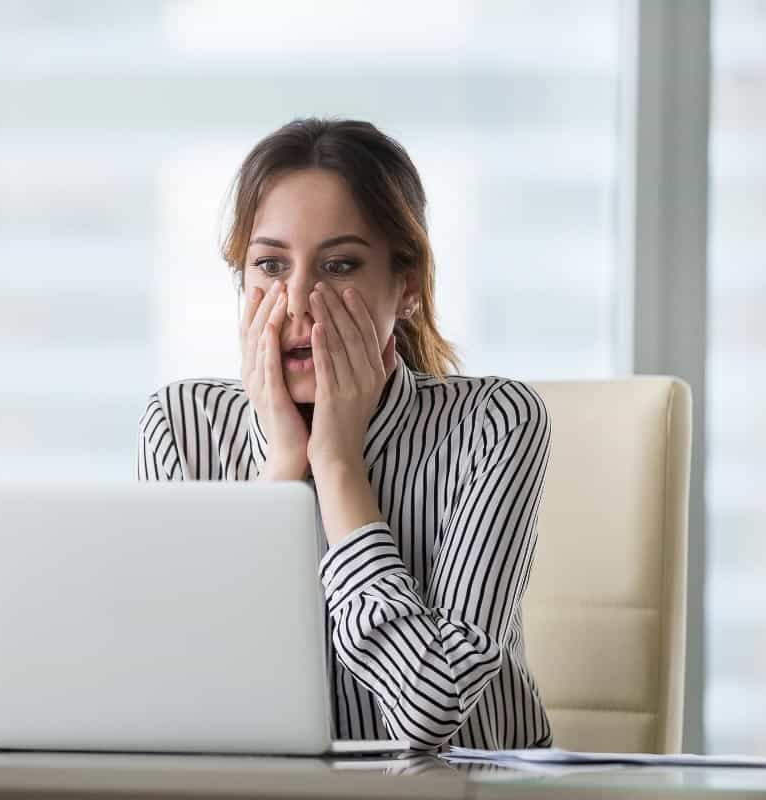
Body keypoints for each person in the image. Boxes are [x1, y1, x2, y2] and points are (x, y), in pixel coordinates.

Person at [136, 117, 552, 752]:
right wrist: (280, 472)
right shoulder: (183, 426)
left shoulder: (494, 421)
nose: (298, 300)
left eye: (339, 265)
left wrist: (335, 466)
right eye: (270, 264)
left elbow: (429, 712)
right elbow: (181, 696)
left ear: (406, 287)